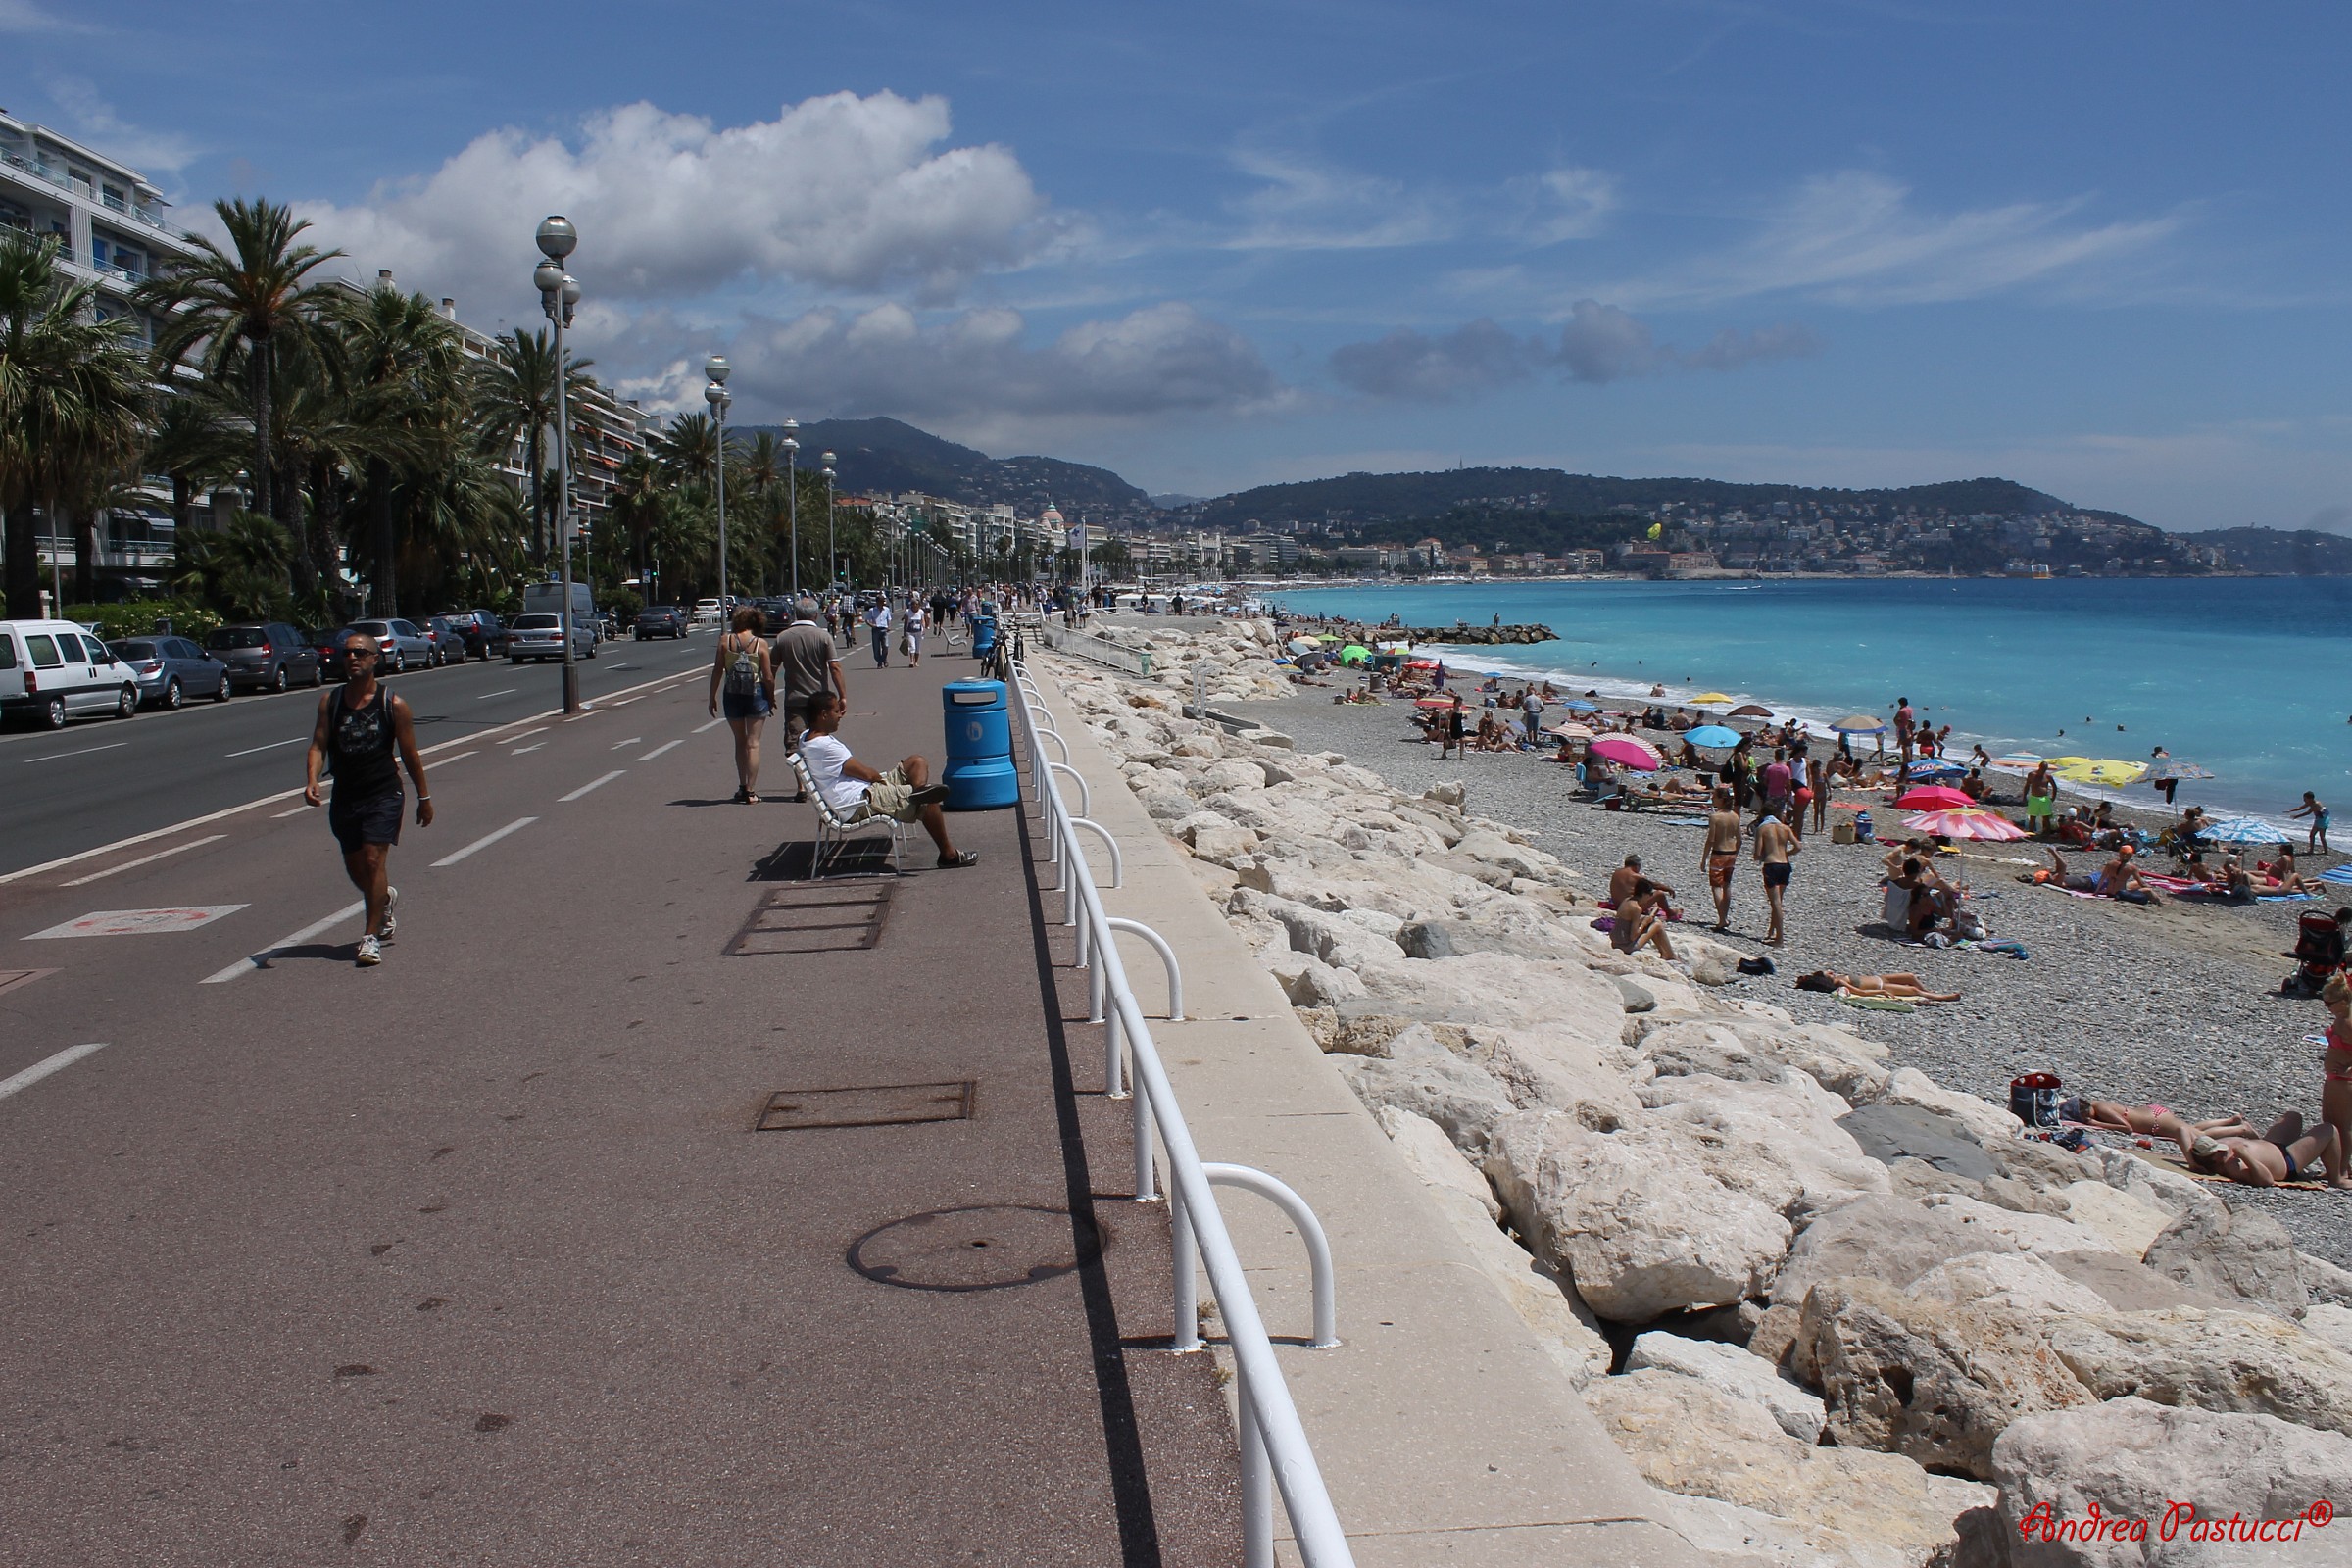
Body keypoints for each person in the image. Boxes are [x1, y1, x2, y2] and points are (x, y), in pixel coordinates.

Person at [303, 630, 433, 966]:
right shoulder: (330, 703)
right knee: (357, 869)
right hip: (346, 795)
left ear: (376, 659)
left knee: (374, 860)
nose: (352, 658)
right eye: (347, 653)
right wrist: (312, 779)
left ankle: (370, 936)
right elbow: (318, 745)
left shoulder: (393, 705)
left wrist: (424, 796)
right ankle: (383, 900)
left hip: (383, 793)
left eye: (361, 653)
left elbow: (410, 753)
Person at [797, 691, 977, 867]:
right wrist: (877, 778)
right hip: (859, 801)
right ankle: (949, 854)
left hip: (865, 791)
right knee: (930, 800)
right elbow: (867, 774)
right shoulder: (826, 747)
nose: (840, 716)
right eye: (836, 711)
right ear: (823, 715)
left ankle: (918, 793)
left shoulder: (805, 737)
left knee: (916, 762)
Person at [771, 597, 847, 796]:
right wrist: (842, 696)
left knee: (795, 742)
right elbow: (834, 666)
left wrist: (769, 695)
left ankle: (802, 786)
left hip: (794, 699)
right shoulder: (823, 637)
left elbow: (771, 669)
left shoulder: (783, 638)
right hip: (819, 701)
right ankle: (820, 783)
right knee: (819, 741)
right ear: (815, 614)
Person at [709, 606, 774, 804]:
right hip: (755, 694)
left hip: (732, 694)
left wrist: (712, 697)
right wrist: (771, 697)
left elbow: (718, 670)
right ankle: (752, 792)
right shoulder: (760, 643)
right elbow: (768, 676)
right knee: (753, 743)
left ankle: (742, 785)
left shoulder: (725, 641)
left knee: (739, 741)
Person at [2179, 1114, 2347, 1190]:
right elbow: (2266, 1181)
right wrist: (2245, 1156)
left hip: (2271, 1144)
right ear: (2213, 1161)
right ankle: (2337, 1178)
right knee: (2329, 1130)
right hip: (2287, 1161)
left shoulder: (2205, 1148)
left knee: (2293, 1116)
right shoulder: (2232, 1166)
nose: (2222, 1149)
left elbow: (2182, 1130)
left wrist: (2192, 1162)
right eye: (2218, 1152)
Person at [1755, 804, 1800, 945]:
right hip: (1785, 865)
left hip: (1771, 865)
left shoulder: (1762, 828)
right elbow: (1798, 846)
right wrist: (1786, 853)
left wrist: (1765, 855)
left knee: (1775, 903)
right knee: (1778, 902)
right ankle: (1771, 931)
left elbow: (1757, 854)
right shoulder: (1785, 828)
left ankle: (1779, 938)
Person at [1701, 788, 1742, 931]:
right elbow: (1739, 838)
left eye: (1714, 797)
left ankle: (1722, 919)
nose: (1712, 799)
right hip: (1731, 852)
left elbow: (1711, 840)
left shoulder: (1715, 817)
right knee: (1727, 884)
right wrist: (1736, 852)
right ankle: (1724, 916)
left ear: (1721, 799)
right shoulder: (1735, 816)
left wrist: (1704, 859)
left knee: (1716, 886)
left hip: (1718, 853)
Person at [1793, 970, 1960, 1003]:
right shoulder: (1839, 982)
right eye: (1828, 973)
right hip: (1882, 986)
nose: (1831, 971)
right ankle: (1943, 997)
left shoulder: (1839, 978)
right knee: (1913, 990)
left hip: (1880, 978)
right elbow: (1859, 992)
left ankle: (1930, 992)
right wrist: (1880, 991)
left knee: (1910, 976)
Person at [1612, 877, 1675, 960]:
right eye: (1650, 894)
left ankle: (1664, 953)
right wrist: (1644, 923)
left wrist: (1647, 919)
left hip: (1616, 943)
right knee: (1658, 925)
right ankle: (1670, 955)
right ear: (1644, 894)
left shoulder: (1627, 900)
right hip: (1627, 947)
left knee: (1651, 921)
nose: (1651, 896)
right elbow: (1633, 937)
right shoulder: (1636, 909)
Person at [2024, 760, 2057, 837]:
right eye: (2043, 769)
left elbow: (2054, 787)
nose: (2044, 770)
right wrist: (2024, 796)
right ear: (2040, 767)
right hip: (2034, 798)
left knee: (2046, 817)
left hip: (2044, 799)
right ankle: (2030, 832)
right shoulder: (2032, 775)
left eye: (2045, 769)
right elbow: (2027, 786)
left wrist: (2053, 797)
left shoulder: (2048, 777)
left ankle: (2047, 833)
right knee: (2032, 816)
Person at [865, 597, 893, 667]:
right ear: (877, 602)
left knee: (885, 646)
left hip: (884, 629)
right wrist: (872, 625)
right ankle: (880, 662)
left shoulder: (886, 609)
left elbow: (889, 619)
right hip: (876, 630)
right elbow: (867, 620)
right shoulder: (872, 610)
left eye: (883, 601)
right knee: (876, 648)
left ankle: (884, 659)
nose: (883, 603)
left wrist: (889, 626)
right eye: (881, 601)